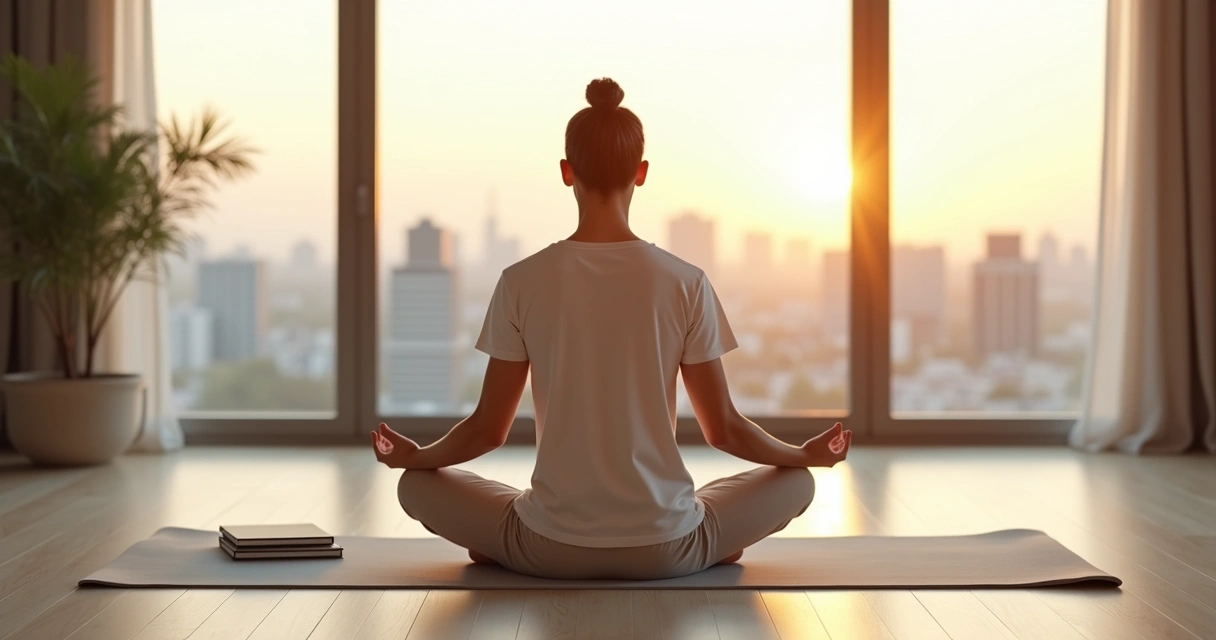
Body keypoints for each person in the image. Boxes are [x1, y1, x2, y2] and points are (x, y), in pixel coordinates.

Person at [371, 77, 852, 580]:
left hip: (547, 547)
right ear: (641, 174)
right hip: (668, 548)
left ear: (566, 172)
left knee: (415, 485)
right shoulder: (685, 281)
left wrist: (419, 456)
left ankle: (504, 545)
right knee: (798, 483)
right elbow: (723, 429)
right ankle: (711, 545)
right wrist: (802, 454)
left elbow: (488, 429)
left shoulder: (521, 281)